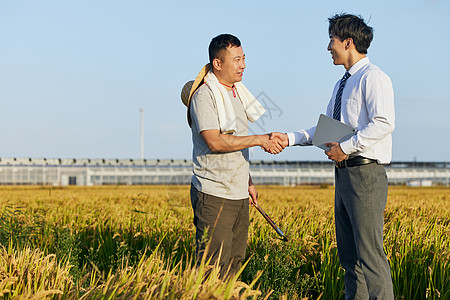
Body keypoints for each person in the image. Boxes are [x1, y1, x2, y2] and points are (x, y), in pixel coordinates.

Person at [271, 14, 395, 299]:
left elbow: (384, 122)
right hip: (344, 174)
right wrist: (288, 138)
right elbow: (326, 129)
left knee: (371, 258)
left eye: (332, 40)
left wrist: (346, 147)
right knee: (350, 261)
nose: (328, 47)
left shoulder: (373, 77)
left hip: (365, 174)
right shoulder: (342, 84)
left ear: (348, 42)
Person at [181, 33, 285, 278]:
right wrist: (261, 139)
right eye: (237, 59)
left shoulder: (237, 93)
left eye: (244, 58)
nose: (243, 65)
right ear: (218, 63)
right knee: (212, 267)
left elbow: (236, 143)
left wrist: (247, 182)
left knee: (234, 265)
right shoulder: (205, 96)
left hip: (238, 192)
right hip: (214, 193)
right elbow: (215, 141)